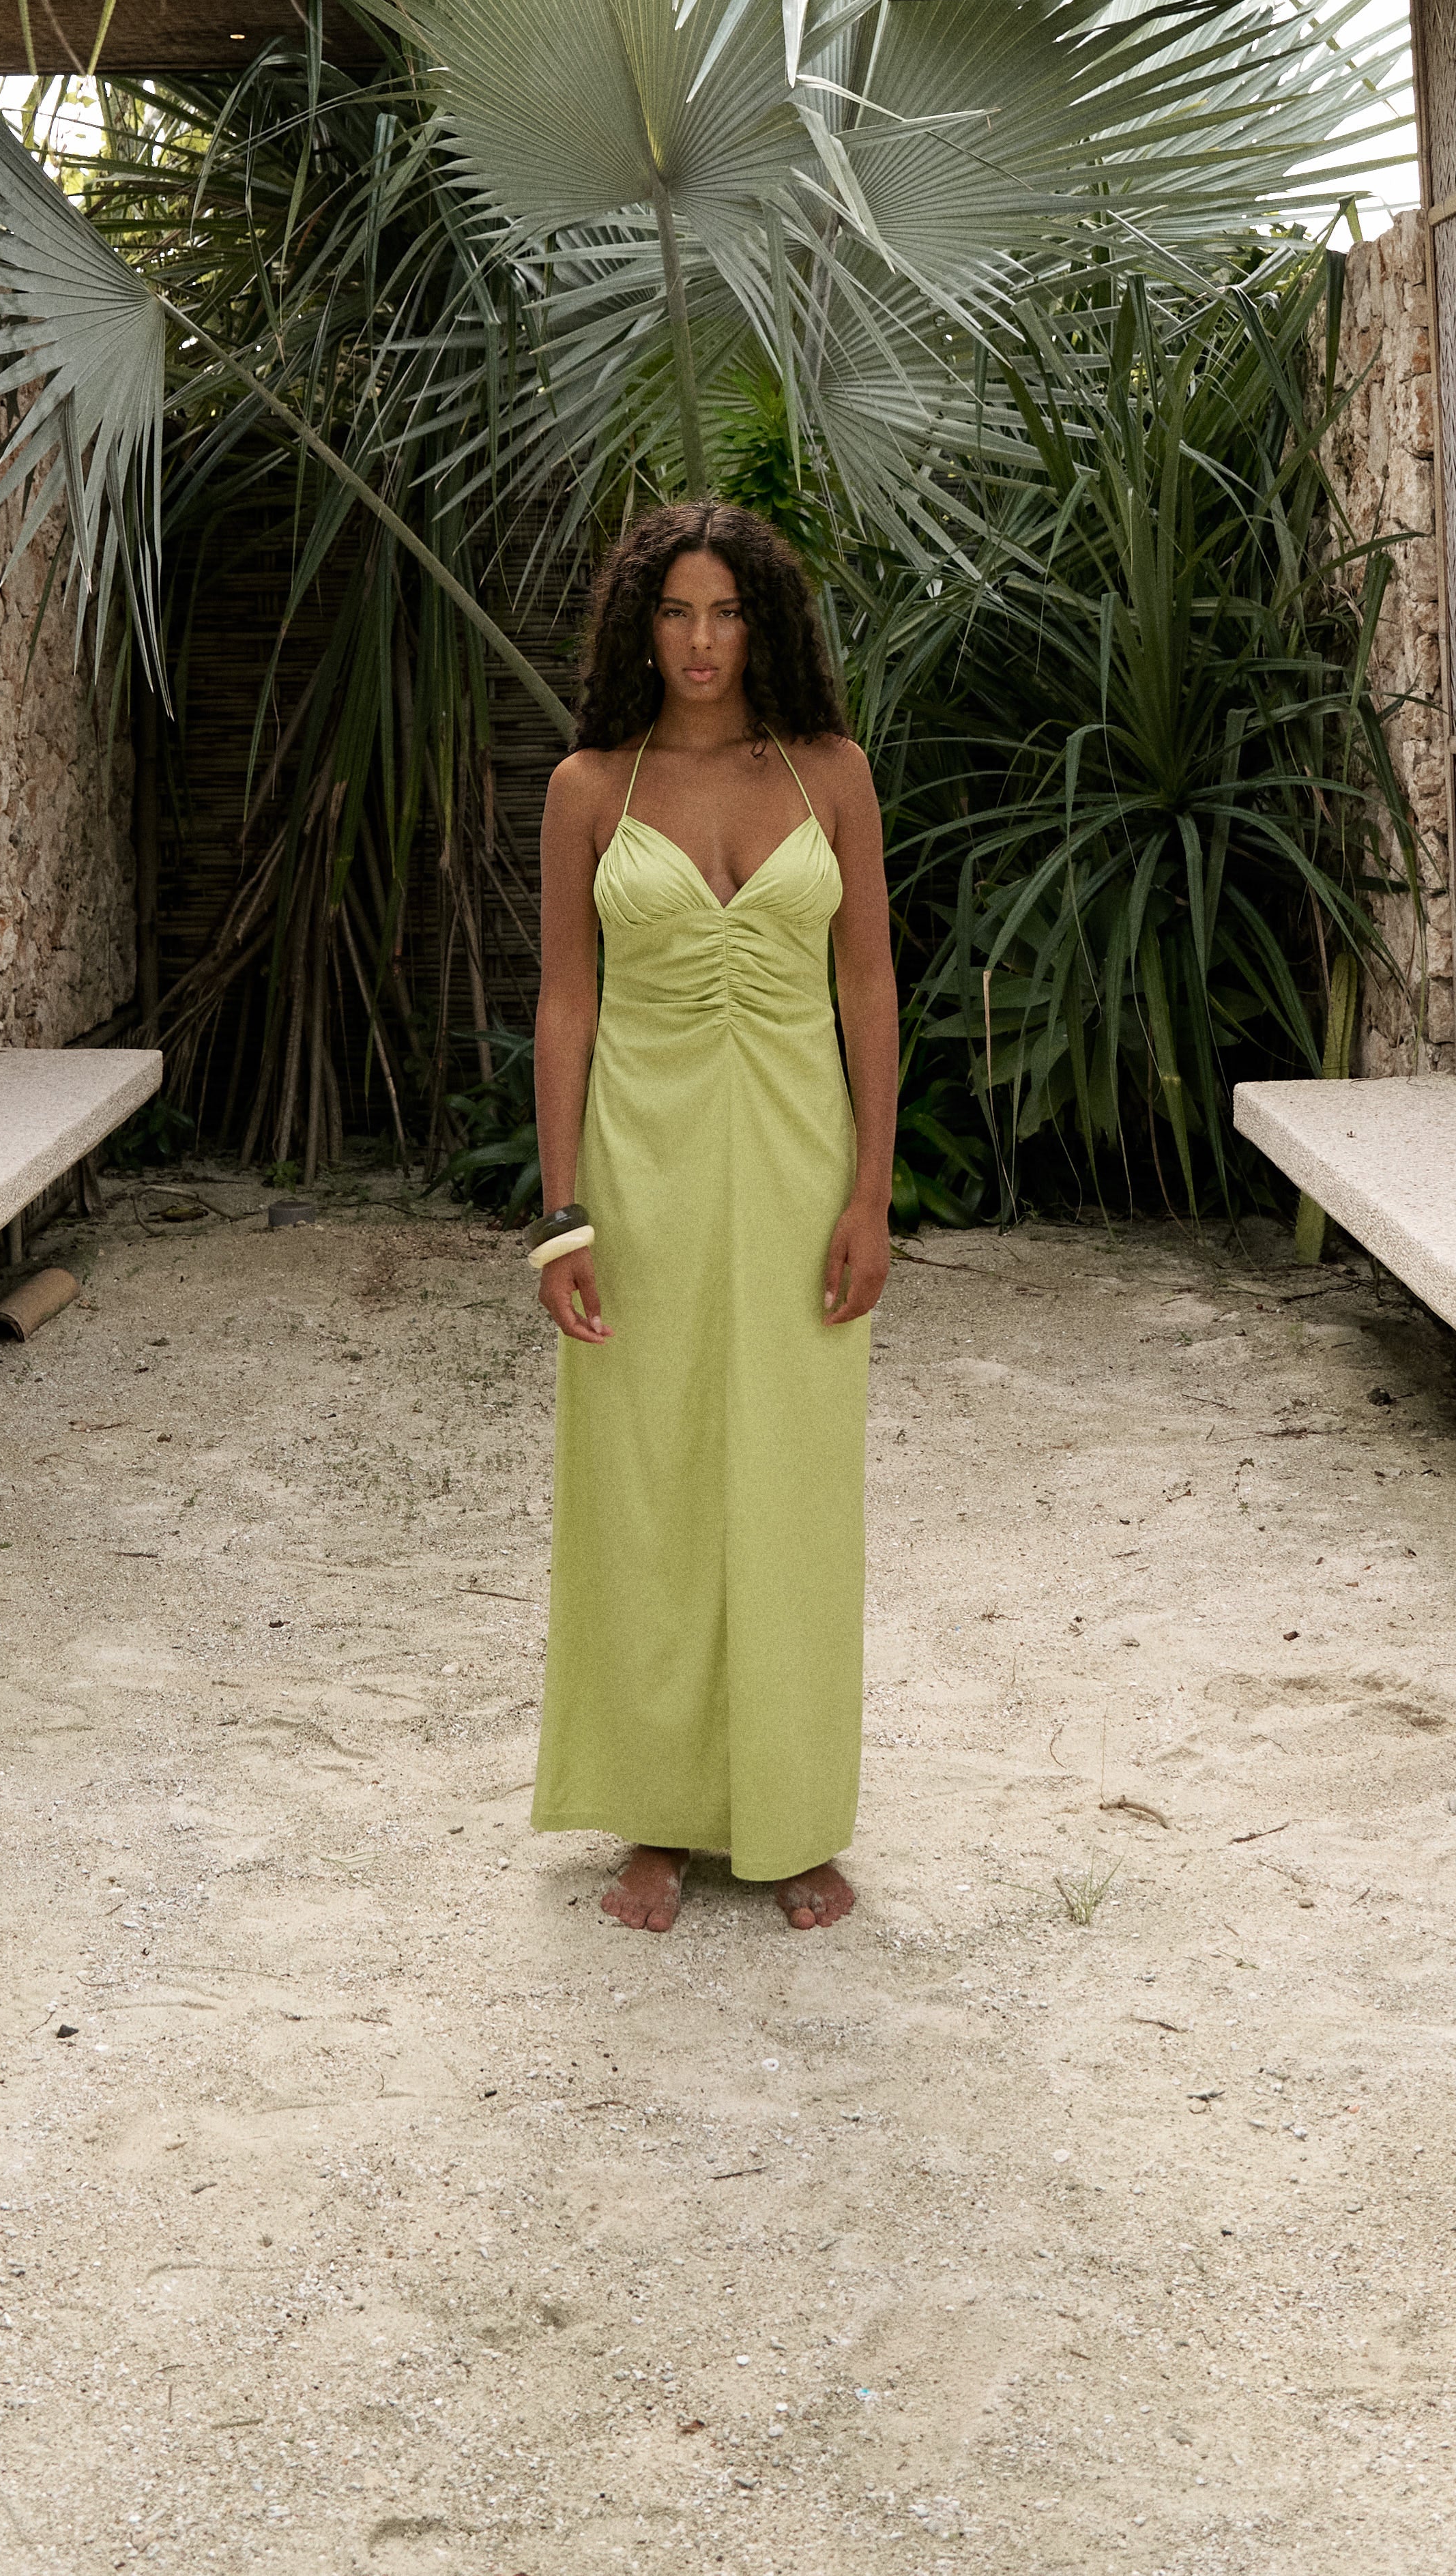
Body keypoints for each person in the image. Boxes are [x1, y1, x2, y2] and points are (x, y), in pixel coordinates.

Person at [527, 497, 897, 1933]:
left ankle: (791, 1818)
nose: (699, 640)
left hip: (804, 1161)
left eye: (724, 612)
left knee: (794, 1480)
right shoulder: (589, 789)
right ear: (641, 624)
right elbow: (567, 1003)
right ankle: (661, 1822)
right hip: (641, 1162)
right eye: (675, 612)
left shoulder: (829, 776)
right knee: (646, 1477)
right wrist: (563, 1214)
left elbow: (866, 984)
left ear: (764, 626)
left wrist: (871, 1190)